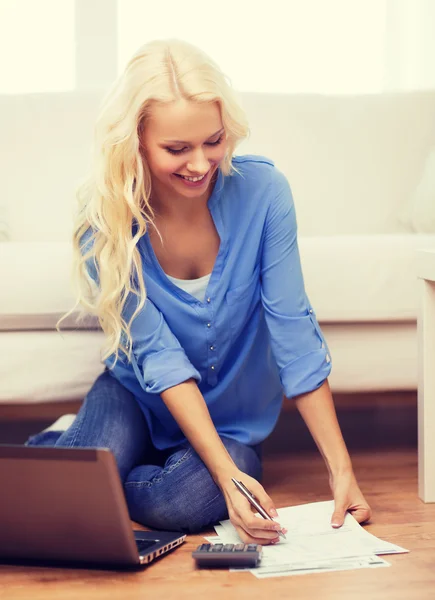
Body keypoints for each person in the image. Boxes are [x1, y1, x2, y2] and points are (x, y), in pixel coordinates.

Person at [27, 39, 371, 545]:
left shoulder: (265, 195)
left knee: (188, 498)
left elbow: (294, 333)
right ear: (136, 141)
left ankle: (91, 466)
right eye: (176, 149)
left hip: (229, 423)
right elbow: (159, 358)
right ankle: (82, 458)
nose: (200, 163)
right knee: (65, 498)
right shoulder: (105, 223)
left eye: (213, 140)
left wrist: (342, 471)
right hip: (137, 393)